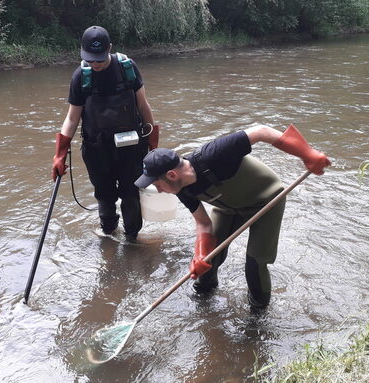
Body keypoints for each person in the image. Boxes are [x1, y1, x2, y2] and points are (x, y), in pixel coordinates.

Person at [134, 125, 330, 308]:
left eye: (158, 184)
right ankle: (204, 298)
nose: (158, 191)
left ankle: (258, 314)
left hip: (267, 201)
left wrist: (307, 154)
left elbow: (262, 132)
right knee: (207, 263)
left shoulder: (213, 154)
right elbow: (203, 223)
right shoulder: (181, 189)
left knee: (254, 265)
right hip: (229, 209)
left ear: (171, 175)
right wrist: (200, 255)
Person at [52, 26, 159, 239]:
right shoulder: (81, 77)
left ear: (110, 48)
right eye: (90, 59)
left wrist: (153, 145)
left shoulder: (128, 69)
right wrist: (60, 154)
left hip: (130, 148)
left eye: (99, 59)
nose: (95, 64)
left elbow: (143, 106)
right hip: (96, 149)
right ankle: (109, 234)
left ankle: (132, 239)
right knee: (104, 195)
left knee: (131, 194)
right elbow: (72, 118)